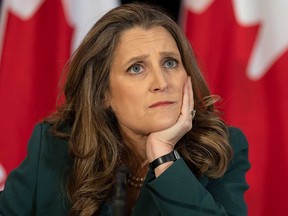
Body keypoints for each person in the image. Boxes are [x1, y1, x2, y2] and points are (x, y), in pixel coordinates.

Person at [0, 3, 250, 216]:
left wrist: (164, 158)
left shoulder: (221, 147)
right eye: (136, 68)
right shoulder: (56, 145)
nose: (162, 83)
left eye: (170, 63)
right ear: (103, 94)